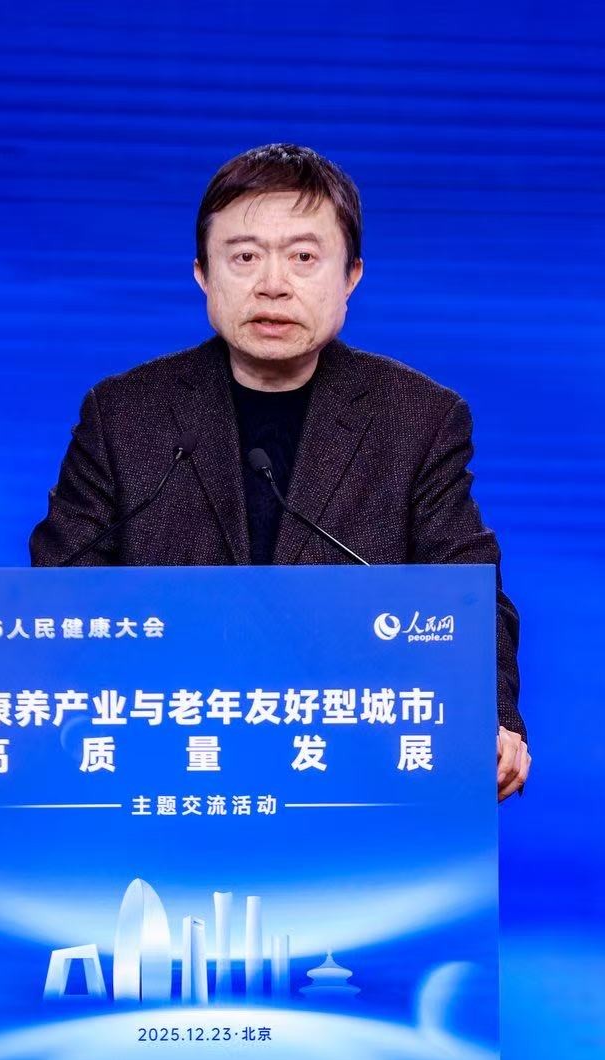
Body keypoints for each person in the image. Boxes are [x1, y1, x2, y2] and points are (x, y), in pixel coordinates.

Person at [29, 143, 530, 801]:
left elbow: (466, 591)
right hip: (165, 771)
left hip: (352, 773)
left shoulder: (418, 418)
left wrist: (490, 714)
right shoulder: (126, 414)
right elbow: (62, 595)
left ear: (351, 276)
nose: (272, 284)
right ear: (202, 274)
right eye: (244, 257)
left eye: (303, 257)